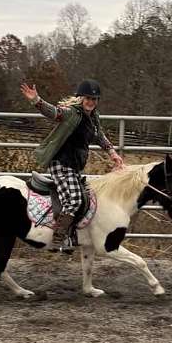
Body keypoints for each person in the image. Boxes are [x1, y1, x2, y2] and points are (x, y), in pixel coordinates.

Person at [20, 79, 124, 252]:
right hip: (61, 163)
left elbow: (99, 136)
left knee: (83, 199)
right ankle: (58, 238)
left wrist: (112, 152)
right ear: (80, 98)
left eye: (94, 99)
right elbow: (54, 113)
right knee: (75, 199)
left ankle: (71, 235)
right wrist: (36, 100)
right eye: (88, 98)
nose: (91, 102)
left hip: (74, 166)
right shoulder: (71, 113)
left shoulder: (94, 117)